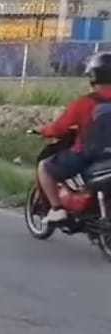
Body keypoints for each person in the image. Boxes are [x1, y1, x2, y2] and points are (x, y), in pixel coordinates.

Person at [36, 52, 111, 224]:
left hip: (89, 155)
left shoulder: (85, 103)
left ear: (93, 76)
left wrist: (44, 131)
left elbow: (59, 128)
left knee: (45, 168)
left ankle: (57, 209)